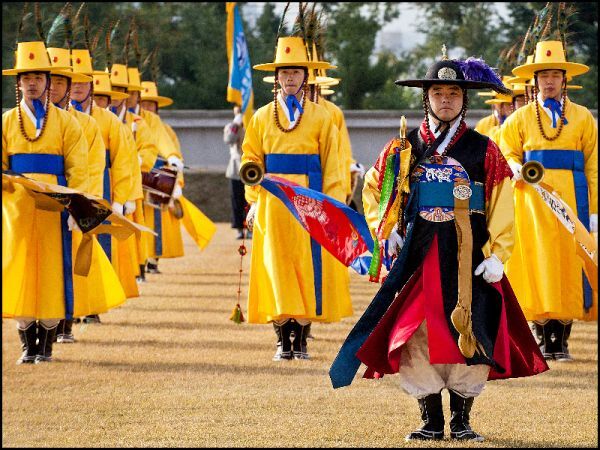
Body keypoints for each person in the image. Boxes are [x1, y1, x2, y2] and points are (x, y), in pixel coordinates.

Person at [329, 49, 549, 441]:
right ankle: (430, 419)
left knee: (473, 327)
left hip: (470, 256)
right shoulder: (403, 147)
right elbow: (376, 189)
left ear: (464, 100)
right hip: (418, 252)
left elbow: (502, 203)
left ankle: (463, 420)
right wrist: (386, 227)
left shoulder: (486, 149)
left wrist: (498, 253)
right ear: (425, 98)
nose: (445, 99)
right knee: (417, 330)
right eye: (437, 93)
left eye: (453, 93)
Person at [242, 35, 352, 361]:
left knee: (307, 264)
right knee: (276, 263)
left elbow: (335, 162)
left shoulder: (322, 117)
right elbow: (251, 159)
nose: (290, 78)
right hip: (273, 200)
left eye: (296, 72)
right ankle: (281, 338)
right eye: (284, 72)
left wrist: (332, 202)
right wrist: (253, 200)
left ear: (306, 76)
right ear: (276, 77)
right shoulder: (262, 117)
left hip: (310, 198)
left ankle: (301, 336)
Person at [500, 39, 598, 361]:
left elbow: (594, 165)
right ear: (535, 80)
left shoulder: (583, 118)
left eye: (556, 74)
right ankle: (543, 335)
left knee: (569, 263)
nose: (550, 81)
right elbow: (505, 151)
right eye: (545, 76)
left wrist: (594, 211)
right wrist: (515, 166)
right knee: (539, 261)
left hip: (573, 198)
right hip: (532, 201)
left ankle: (563, 337)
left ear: (565, 78)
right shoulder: (520, 119)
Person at [3, 39, 88, 363]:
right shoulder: (7, 121)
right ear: (19, 82)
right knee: (19, 268)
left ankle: (48, 341)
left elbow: (79, 165)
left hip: (55, 205)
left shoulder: (66, 122)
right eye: (27, 78)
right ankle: (27, 342)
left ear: (49, 82)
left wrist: (75, 205)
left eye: (39, 77)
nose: (33, 83)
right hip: (17, 206)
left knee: (53, 271)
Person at [224, 105, 248, 239]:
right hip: (235, 168)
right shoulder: (230, 127)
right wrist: (236, 124)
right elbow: (229, 139)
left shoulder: (251, 125)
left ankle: (249, 227)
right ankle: (239, 228)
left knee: (249, 199)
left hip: (249, 167)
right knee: (236, 200)